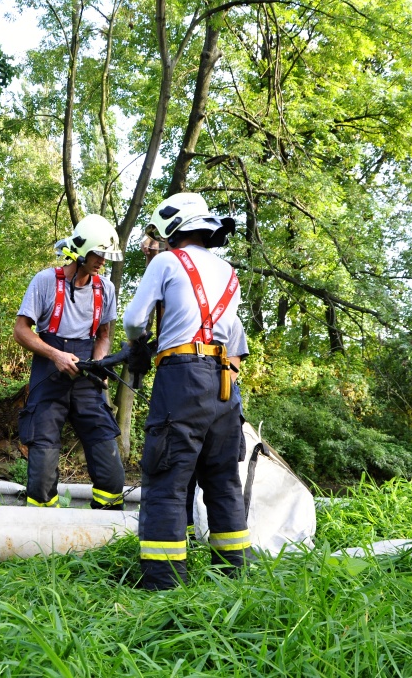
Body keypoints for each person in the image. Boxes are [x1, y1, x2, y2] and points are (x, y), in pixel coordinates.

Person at [122, 192, 254, 590]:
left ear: (171, 226)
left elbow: (133, 320)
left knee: (167, 476)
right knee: (223, 480)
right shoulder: (228, 272)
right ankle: (234, 577)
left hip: (181, 377)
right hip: (225, 380)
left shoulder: (166, 261)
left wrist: (139, 343)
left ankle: (164, 584)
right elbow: (232, 332)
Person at [14, 214, 126, 510]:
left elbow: (103, 336)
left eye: (106, 255)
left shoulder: (106, 289)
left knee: (110, 464)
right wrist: (56, 355)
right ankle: (41, 527)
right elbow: (21, 331)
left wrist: (99, 363)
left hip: (87, 377)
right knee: (41, 468)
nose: (103, 260)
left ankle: (107, 525)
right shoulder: (45, 281)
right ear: (81, 250)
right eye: (98, 253)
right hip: (49, 374)